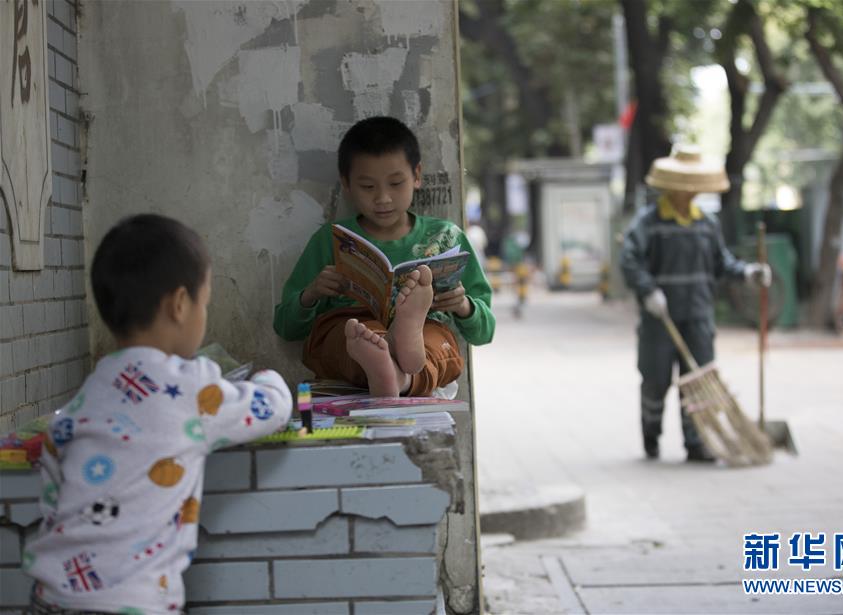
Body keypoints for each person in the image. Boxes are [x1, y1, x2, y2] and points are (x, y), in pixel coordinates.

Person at [24, 214, 292, 614]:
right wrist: (268, 377)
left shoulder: (85, 397)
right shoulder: (191, 387)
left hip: (51, 597)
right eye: (205, 303)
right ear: (180, 305)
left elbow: (52, 491)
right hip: (133, 603)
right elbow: (272, 408)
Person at [273, 116, 495, 398]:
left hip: (426, 326)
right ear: (346, 183)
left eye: (396, 183)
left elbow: (484, 331)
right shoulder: (332, 239)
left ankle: (395, 370)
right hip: (352, 324)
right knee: (349, 336)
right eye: (368, 186)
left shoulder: (446, 238)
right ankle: (393, 368)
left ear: (416, 176)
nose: (383, 198)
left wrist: (463, 306)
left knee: (436, 343)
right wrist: (312, 293)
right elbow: (286, 327)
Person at [619, 145, 771, 462]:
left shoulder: (707, 224)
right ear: (671, 187)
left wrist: (748, 273)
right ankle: (651, 436)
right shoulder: (649, 222)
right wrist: (648, 291)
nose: (689, 193)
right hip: (660, 319)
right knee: (656, 380)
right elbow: (630, 259)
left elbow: (722, 263)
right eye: (683, 187)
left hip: (698, 315)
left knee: (700, 381)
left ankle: (697, 442)